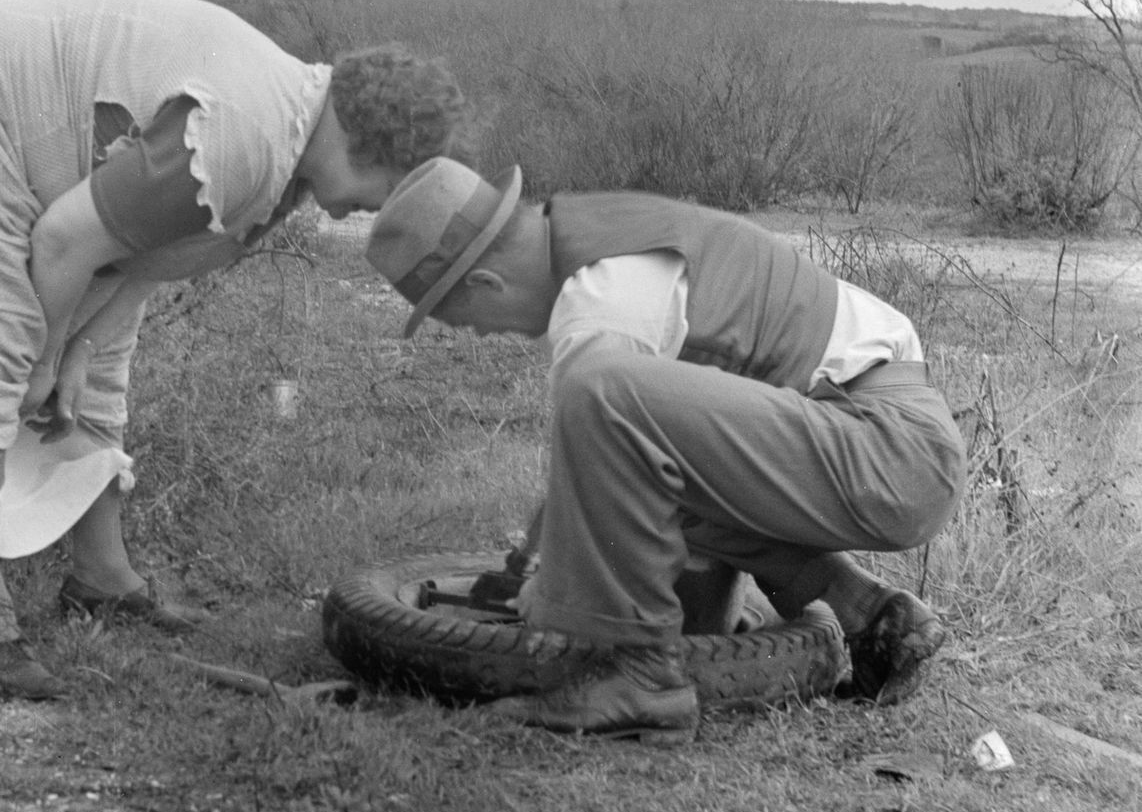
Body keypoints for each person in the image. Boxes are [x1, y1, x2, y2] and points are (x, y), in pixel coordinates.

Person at [0, 0, 468, 700]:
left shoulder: (289, 145)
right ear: (364, 140)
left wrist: (79, 351)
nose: (382, 205)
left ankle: (101, 579)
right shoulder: (242, 137)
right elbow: (63, 242)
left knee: (94, 374)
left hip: (31, 144)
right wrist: (39, 358)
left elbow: (135, 261)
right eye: (391, 182)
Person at [364, 159, 966, 742]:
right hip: (877, 440)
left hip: (891, 453)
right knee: (642, 463)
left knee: (599, 394)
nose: (482, 334)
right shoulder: (605, 239)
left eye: (466, 320)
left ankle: (640, 678)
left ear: (484, 282)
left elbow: (596, 444)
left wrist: (546, 583)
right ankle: (869, 613)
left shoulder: (601, 298)